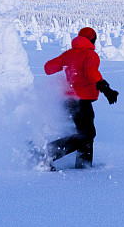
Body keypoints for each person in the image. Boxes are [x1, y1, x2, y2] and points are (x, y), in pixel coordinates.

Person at [44, 27, 118, 168]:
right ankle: (47, 153)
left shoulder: (69, 54)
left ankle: (84, 166)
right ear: (92, 40)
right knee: (86, 134)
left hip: (67, 101)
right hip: (81, 101)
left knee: (85, 133)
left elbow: (48, 68)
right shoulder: (90, 55)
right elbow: (91, 71)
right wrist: (105, 88)